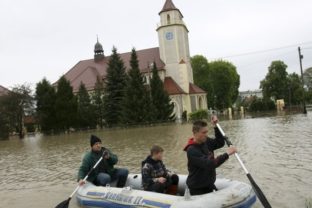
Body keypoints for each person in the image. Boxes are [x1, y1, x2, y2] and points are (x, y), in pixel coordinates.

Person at [183, 116, 237, 196]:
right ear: (195, 132)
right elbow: (210, 164)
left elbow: (219, 142)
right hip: (197, 189)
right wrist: (227, 154)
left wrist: (216, 127)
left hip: (209, 185)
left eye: (206, 132)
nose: (206, 135)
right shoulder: (192, 150)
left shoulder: (206, 141)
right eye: (203, 132)